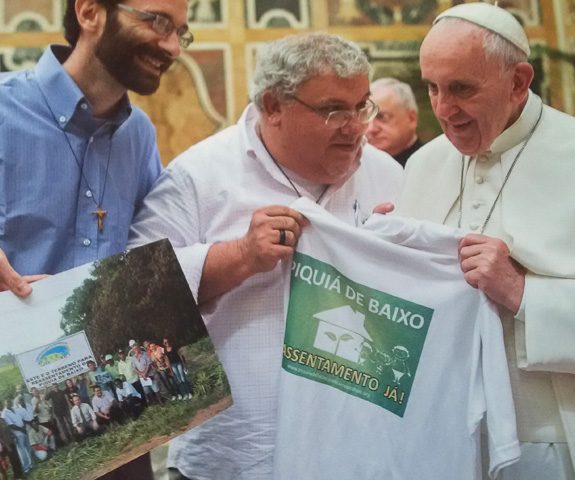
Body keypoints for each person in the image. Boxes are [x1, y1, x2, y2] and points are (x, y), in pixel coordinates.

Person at [0, 0, 191, 478]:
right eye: (157, 22)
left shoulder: (140, 134)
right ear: (90, 12)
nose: (172, 46)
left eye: (180, 31)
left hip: (102, 402)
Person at [396, 4, 575, 480]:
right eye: (432, 87)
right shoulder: (422, 167)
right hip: (447, 439)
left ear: (518, 82)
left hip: (566, 445)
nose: (443, 109)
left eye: (461, 89)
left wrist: (524, 294)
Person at [128, 32, 403, 480]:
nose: (356, 127)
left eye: (362, 106)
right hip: (237, 454)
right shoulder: (198, 178)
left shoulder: (387, 176)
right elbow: (137, 297)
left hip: (361, 450)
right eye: (334, 109)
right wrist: (239, 256)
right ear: (273, 106)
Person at [366, 77, 423, 167]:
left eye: (382, 117)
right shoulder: (359, 168)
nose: (371, 129)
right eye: (366, 118)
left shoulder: (432, 165)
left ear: (412, 118)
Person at [1, 399, 33, 475]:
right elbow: (11, 425)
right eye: (7, 402)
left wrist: (24, 427)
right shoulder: (5, 413)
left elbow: (22, 418)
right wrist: (21, 429)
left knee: (28, 447)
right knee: (22, 451)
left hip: (24, 430)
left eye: (9, 401)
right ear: (4, 403)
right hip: (17, 434)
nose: (8, 403)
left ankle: (31, 464)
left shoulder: (15, 409)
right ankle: (26, 467)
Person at [0, 405, 23, 479]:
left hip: (11, 440)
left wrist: (13, 435)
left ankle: (20, 473)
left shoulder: (3, 419)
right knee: (13, 460)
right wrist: (7, 446)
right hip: (7, 444)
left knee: (16, 458)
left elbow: (8, 429)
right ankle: (17, 475)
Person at [131, 341, 163, 406]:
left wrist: (145, 373)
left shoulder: (145, 354)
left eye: (137, 348)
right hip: (142, 377)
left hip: (150, 374)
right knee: (147, 391)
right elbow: (134, 368)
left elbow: (149, 363)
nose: (136, 350)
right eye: (134, 349)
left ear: (139, 348)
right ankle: (153, 403)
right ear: (133, 350)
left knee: (155, 389)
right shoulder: (133, 358)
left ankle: (160, 402)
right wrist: (142, 374)